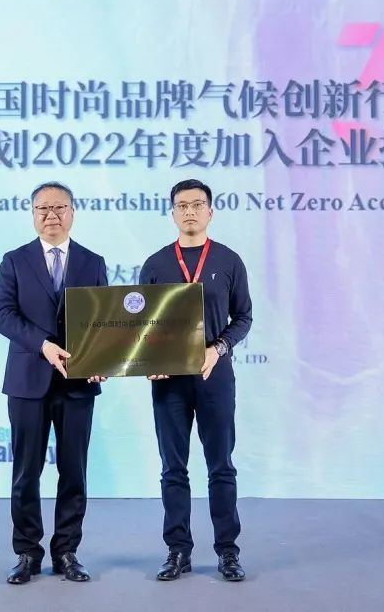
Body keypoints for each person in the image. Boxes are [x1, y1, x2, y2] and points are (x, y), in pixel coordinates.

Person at [0, 181, 108, 584]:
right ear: (33, 214)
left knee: (74, 472)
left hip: (78, 382)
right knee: (26, 472)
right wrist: (42, 345)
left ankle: (67, 552)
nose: (51, 215)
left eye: (59, 208)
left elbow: (105, 322)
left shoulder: (92, 262)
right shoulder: (14, 260)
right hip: (28, 381)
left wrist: (102, 360)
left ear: (72, 212)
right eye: (43, 208)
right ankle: (27, 553)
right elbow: (1, 314)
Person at [140, 178, 253, 582]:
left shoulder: (229, 261)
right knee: (173, 468)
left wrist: (217, 348)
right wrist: (149, 360)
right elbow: (141, 326)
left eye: (197, 204)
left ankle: (228, 552)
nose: (189, 211)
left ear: (210, 211)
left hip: (213, 375)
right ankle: (177, 551)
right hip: (168, 380)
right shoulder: (156, 264)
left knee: (221, 466)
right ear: (172, 213)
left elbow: (243, 317)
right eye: (182, 205)